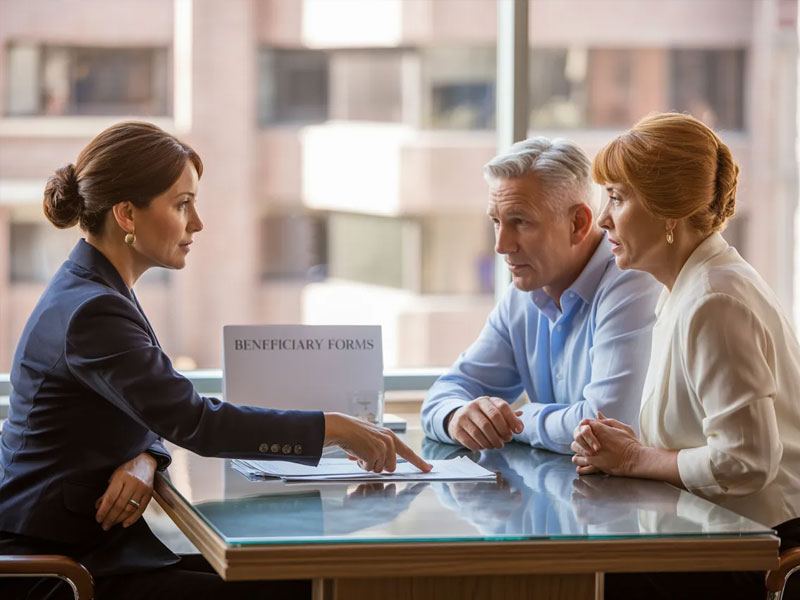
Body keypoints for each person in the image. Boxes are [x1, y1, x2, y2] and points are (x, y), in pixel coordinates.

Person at [0, 121, 431, 600]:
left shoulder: (91, 288)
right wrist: (335, 427)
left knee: (297, 579)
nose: (197, 223)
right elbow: (195, 421)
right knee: (305, 588)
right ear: (126, 214)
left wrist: (147, 455)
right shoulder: (94, 310)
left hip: (88, 551)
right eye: (182, 204)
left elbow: (145, 402)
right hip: (57, 570)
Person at [571, 112, 800, 599]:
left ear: (668, 210)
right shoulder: (690, 286)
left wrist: (636, 457)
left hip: (763, 549)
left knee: (586, 579)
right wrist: (631, 446)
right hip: (727, 533)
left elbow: (748, 461)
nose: (604, 218)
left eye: (616, 197)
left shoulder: (713, 299)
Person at [421, 137, 661, 454]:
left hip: (641, 501)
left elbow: (605, 425)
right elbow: (449, 391)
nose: (501, 246)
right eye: (496, 221)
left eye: (520, 222)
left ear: (579, 223)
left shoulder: (632, 282)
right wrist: (457, 417)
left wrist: (517, 420)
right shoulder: (522, 295)